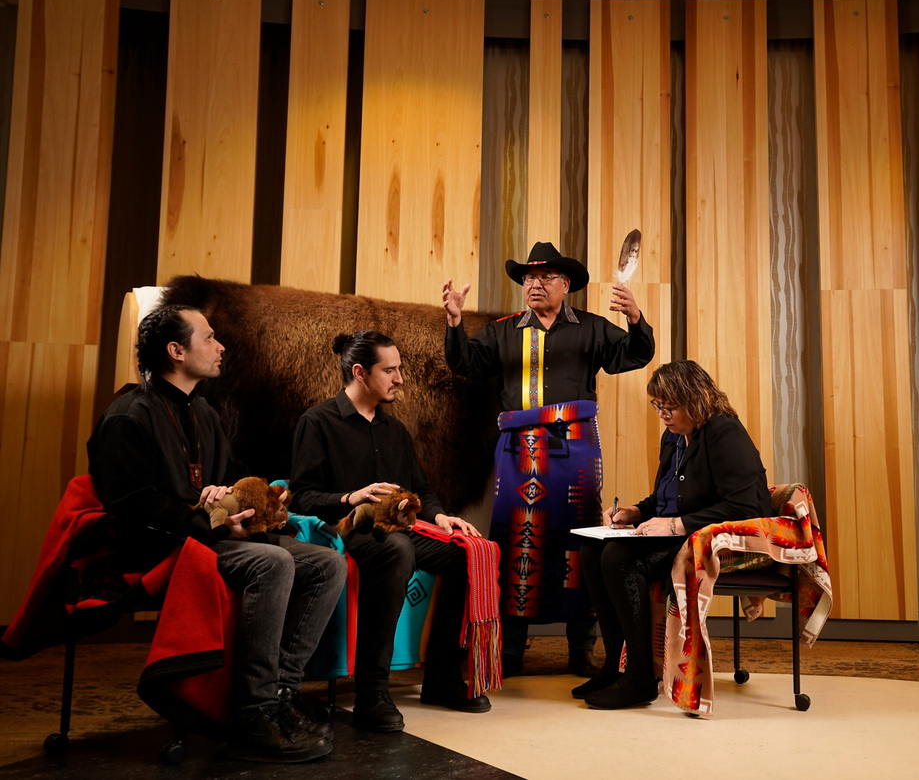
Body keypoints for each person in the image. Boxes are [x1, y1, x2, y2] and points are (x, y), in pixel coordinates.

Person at [88, 305, 344, 763]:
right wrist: (213, 521)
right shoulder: (128, 416)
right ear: (176, 351)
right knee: (275, 560)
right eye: (208, 338)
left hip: (214, 538)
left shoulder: (204, 410)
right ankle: (253, 713)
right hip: (162, 547)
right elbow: (132, 505)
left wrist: (257, 502)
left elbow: (233, 474)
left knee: (327, 563)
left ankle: (281, 692)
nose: (220, 346)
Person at [442, 241, 655, 677]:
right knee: (516, 539)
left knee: (580, 541)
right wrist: (455, 321)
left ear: (565, 284)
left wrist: (635, 317)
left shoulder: (593, 329)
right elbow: (464, 362)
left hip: (576, 450)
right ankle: (514, 649)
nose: (533, 284)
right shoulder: (503, 331)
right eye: (527, 278)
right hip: (518, 452)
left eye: (543, 278)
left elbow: (635, 355)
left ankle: (582, 649)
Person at [290, 330, 491, 735]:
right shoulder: (317, 421)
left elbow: (423, 489)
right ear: (361, 372)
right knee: (397, 549)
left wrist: (439, 518)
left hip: (396, 528)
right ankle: (371, 692)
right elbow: (302, 498)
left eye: (399, 369)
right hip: (344, 529)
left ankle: (441, 677)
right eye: (391, 370)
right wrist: (351, 496)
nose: (399, 378)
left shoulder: (394, 429)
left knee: (466, 553)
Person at [574, 359, 772, 709]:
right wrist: (635, 511)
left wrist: (676, 524)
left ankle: (638, 679)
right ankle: (613, 667)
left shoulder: (724, 431)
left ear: (695, 400)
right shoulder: (674, 436)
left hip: (713, 538)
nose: (662, 414)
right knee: (591, 548)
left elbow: (745, 507)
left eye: (670, 407)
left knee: (619, 559)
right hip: (678, 532)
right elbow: (666, 498)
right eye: (658, 406)